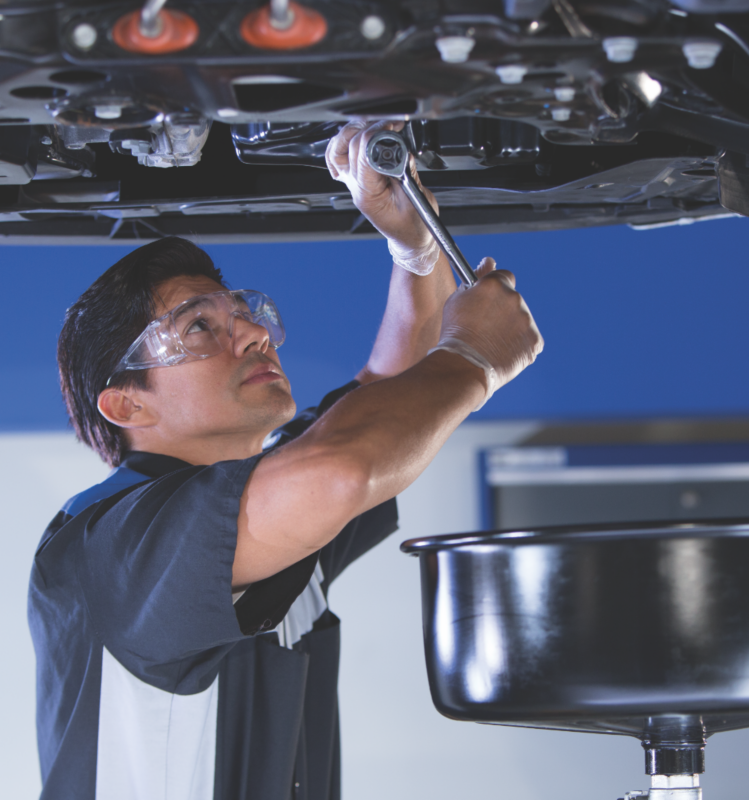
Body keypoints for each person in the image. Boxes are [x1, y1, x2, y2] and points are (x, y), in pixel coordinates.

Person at [28, 121, 543, 800]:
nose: (251, 332)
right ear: (127, 406)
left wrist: (415, 248)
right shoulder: (116, 546)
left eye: (241, 310)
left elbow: (385, 401)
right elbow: (342, 466)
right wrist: (471, 361)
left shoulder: (264, 504)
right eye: (199, 327)